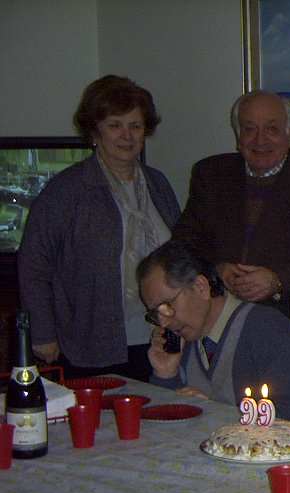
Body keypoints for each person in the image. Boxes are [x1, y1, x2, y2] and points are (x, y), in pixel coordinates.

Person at [18, 75, 180, 381]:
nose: (126, 136)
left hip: (159, 339)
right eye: (115, 125)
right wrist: (42, 333)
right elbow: (34, 266)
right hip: (90, 345)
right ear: (94, 131)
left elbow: (180, 254)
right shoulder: (67, 190)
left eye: (135, 126)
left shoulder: (158, 184)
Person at [172, 89, 290, 316]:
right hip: (210, 310)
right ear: (238, 137)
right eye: (249, 129)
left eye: (272, 129)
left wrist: (278, 280)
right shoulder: (211, 175)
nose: (260, 140)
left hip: (278, 315)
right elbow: (184, 241)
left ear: (288, 136)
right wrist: (216, 269)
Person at [137, 240, 290, 425]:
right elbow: (165, 431)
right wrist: (166, 375)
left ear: (200, 287)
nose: (164, 322)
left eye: (167, 307)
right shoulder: (183, 340)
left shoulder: (270, 330)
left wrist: (218, 414)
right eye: (155, 314)